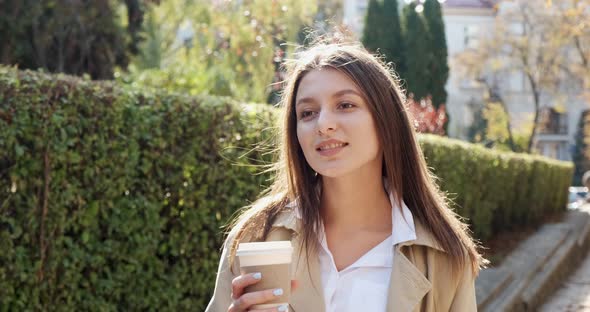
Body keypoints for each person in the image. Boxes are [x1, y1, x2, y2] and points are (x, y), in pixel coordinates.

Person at [206, 42, 486, 312]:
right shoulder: (256, 236)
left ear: (386, 119)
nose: (323, 124)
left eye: (345, 105)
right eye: (307, 113)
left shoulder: (446, 259)